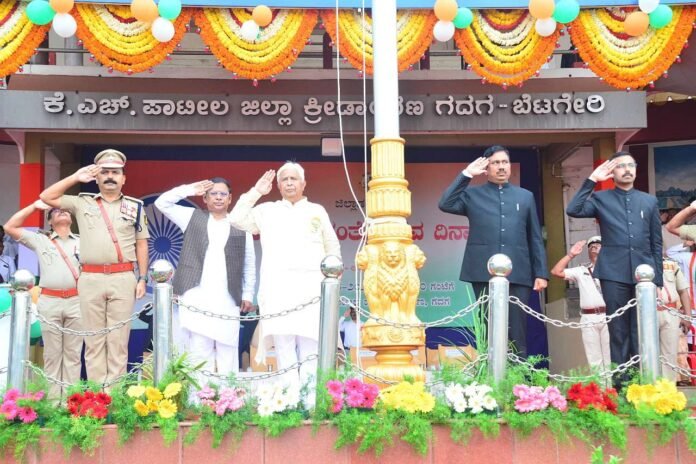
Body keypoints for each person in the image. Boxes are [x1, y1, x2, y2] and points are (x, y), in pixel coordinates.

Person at [228, 162, 341, 406]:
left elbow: (332, 248)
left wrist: (332, 282)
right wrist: (257, 191)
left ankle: (312, 403)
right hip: (278, 289)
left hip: (312, 288)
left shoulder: (316, 210)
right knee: (284, 347)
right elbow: (236, 218)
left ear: (303, 184)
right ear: (278, 185)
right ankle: (290, 402)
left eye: (293, 178)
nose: (289, 183)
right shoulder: (266, 210)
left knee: (312, 348)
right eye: (284, 179)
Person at [40, 149, 149, 388]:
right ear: (97, 177)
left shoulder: (135, 207)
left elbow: (142, 243)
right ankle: (98, 397)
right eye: (105, 172)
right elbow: (47, 196)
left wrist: (142, 278)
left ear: (123, 178)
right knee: (94, 340)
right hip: (90, 276)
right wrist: (75, 177)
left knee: (118, 341)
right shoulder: (82, 202)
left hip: (123, 276)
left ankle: (115, 397)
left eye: (115, 172)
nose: (110, 176)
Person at [438, 145, 548, 358]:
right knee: (488, 326)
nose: (501, 167)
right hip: (482, 270)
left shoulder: (525, 196)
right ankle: (489, 380)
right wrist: (466, 175)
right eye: (495, 163)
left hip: (519, 270)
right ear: (486, 168)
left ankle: (519, 384)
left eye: (504, 162)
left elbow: (534, 236)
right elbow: (446, 203)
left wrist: (541, 273)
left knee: (518, 330)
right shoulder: (473, 195)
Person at [566, 151, 663, 385]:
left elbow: (656, 242)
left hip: (644, 275)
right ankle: (622, 386)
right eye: (621, 166)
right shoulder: (602, 199)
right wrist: (592, 180)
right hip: (613, 273)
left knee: (640, 329)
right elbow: (574, 209)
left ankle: (644, 385)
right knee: (618, 330)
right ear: (612, 172)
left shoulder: (649, 201)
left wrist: (658, 280)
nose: (627, 170)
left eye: (631, 165)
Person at [154, 178, 256, 376]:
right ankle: (199, 401)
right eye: (213, 194)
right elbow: (162, 203)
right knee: (199, 350)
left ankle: (228, 401)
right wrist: (189, 189)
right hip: (196, 294)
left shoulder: (241, 225)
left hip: (228, 297)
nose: (218, 197)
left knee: (228, 350)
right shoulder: (191, 216)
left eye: (223, 194)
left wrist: (248, 294)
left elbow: (249, 264)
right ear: (205, 198)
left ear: (230, 198)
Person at [3, 201, 83, 399]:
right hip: (50, 300)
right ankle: (55, 402)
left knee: (73, 355)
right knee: (52, 355)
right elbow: (9, 227)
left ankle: (71, 402)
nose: (62, 211)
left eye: (65, 210)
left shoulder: (83, 241)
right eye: (55, 211)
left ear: (71, 219)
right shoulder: (41, 240)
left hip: (77, 301)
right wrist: (34, 207)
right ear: (49, 221)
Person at [550, 236, 611, 373]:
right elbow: (556, 271)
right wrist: (571, 255)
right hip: (588, 317)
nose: (595, 248)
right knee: (594, 358)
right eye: (592, 246)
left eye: (599, 245)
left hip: (608, 315)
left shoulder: (613, 269)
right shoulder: (581, 270)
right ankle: (600, 391)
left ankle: (613, 390)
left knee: (610, 357)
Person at [658, 258, 691, 381]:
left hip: (670, 311)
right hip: (648, 311)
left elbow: (683, 291)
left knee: (670, 354)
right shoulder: (638, 260)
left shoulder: (671, 264)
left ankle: (668, 391)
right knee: (648, 353)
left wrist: (687, 317)